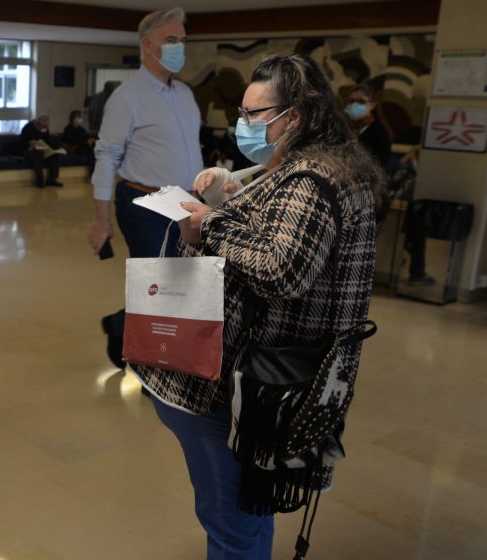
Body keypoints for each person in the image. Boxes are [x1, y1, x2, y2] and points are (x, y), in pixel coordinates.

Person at [141, 54, 380, 559]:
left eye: (254, 114)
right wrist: (226, 202)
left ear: (293, 116)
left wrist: (208, 222)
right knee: (248, 510)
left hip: (252, 380)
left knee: (231, 519)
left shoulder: (312, 179)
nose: (244, 124)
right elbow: (277, 239)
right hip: (267, 376)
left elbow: (281, 270)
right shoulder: (309, 165)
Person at [88, 7, 201, 369]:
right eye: (171, 40)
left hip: (184, 202)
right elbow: (106, 157)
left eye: (182, 40)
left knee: (181, 285)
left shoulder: (184, 93)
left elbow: (188, 151)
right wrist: (100, 220)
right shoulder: (127, 97)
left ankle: (121, 325)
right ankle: (152, 368)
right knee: (158, 287)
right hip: (143, 200)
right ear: (148, 46)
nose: (179, 47)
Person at [346, 83, 392, 172]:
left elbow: (378, 166)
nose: (355, 105)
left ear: (372, 105)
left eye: (361, 102)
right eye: (351, 101)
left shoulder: (378, 132)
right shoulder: (346, 129)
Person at [20, 115, 64, 188]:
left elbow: (48, 141)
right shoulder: (28, 128)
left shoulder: (45, 129)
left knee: (54, 155)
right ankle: (40, 181)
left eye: (47, 126)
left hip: (41, 150)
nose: (46, 128)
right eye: (45, 126)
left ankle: (52, 179)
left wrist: (56, 148)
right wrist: (30, 143)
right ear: (40, 123)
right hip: (26, 150)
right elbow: (22, 143)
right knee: (38, 154)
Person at [62, 109, 96, 177]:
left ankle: (94, 173)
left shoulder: (81, 129)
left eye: (81, 117)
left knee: (94, 149)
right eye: (79, 117)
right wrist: (86, 142)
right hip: (75, 148)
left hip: (84, 147)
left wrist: (90, 140)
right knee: (91, 152)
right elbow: (72, 141)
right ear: (74, 118)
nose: (81, 119)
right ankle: (92, 174)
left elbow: (86, 137)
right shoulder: (68, 128)